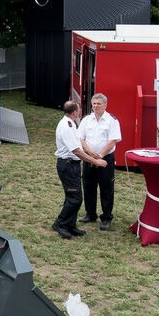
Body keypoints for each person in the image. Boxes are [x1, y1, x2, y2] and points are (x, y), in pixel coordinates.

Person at [53, 100, 107, 239]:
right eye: (79, 109)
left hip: (72, 165)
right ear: (75, 112)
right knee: (75, 199)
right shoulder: (66, 126)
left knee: (73, 197)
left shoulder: (70, 123)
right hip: (68, 166)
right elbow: (76, 151)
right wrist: (95, 161)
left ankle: (70, 225)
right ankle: (60, 224)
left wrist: (91, 155)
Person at [78, 93, 122, 230]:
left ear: (105, 105)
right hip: (88, 158)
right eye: (94, 103)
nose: (96, 106)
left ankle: (106, 217)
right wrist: (89, 152)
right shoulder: (86, 119)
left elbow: (113, 140)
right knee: (88, 186)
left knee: (106, 188)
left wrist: (100, 156)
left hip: (105, 158)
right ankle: (90, 214)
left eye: (99, 103)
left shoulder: (112, 121)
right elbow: (81, 138)